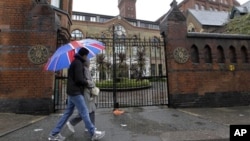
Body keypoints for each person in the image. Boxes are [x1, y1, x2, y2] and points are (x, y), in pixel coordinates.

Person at [48, 48, 105, 141]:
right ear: (84, 55)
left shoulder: (74, 62)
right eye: (86, 56)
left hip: (71, 92)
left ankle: (53, 134)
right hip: (76, 92)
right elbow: (79, 80)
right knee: (85, 112)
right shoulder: (78, 63)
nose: (87, 58)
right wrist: (86, 82)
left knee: (67, 113)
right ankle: (93, 133)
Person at [66, 58, 98, 133]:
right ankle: (72, 123)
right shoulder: (84, 69)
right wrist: (92, 84)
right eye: (88, 61)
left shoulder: (84, 69)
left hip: (87, 92)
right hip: (86, 92)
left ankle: (89, 127)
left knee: (90, 110)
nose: (89, 63)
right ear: (87, 63)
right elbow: (86, 81)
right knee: (87, 111)